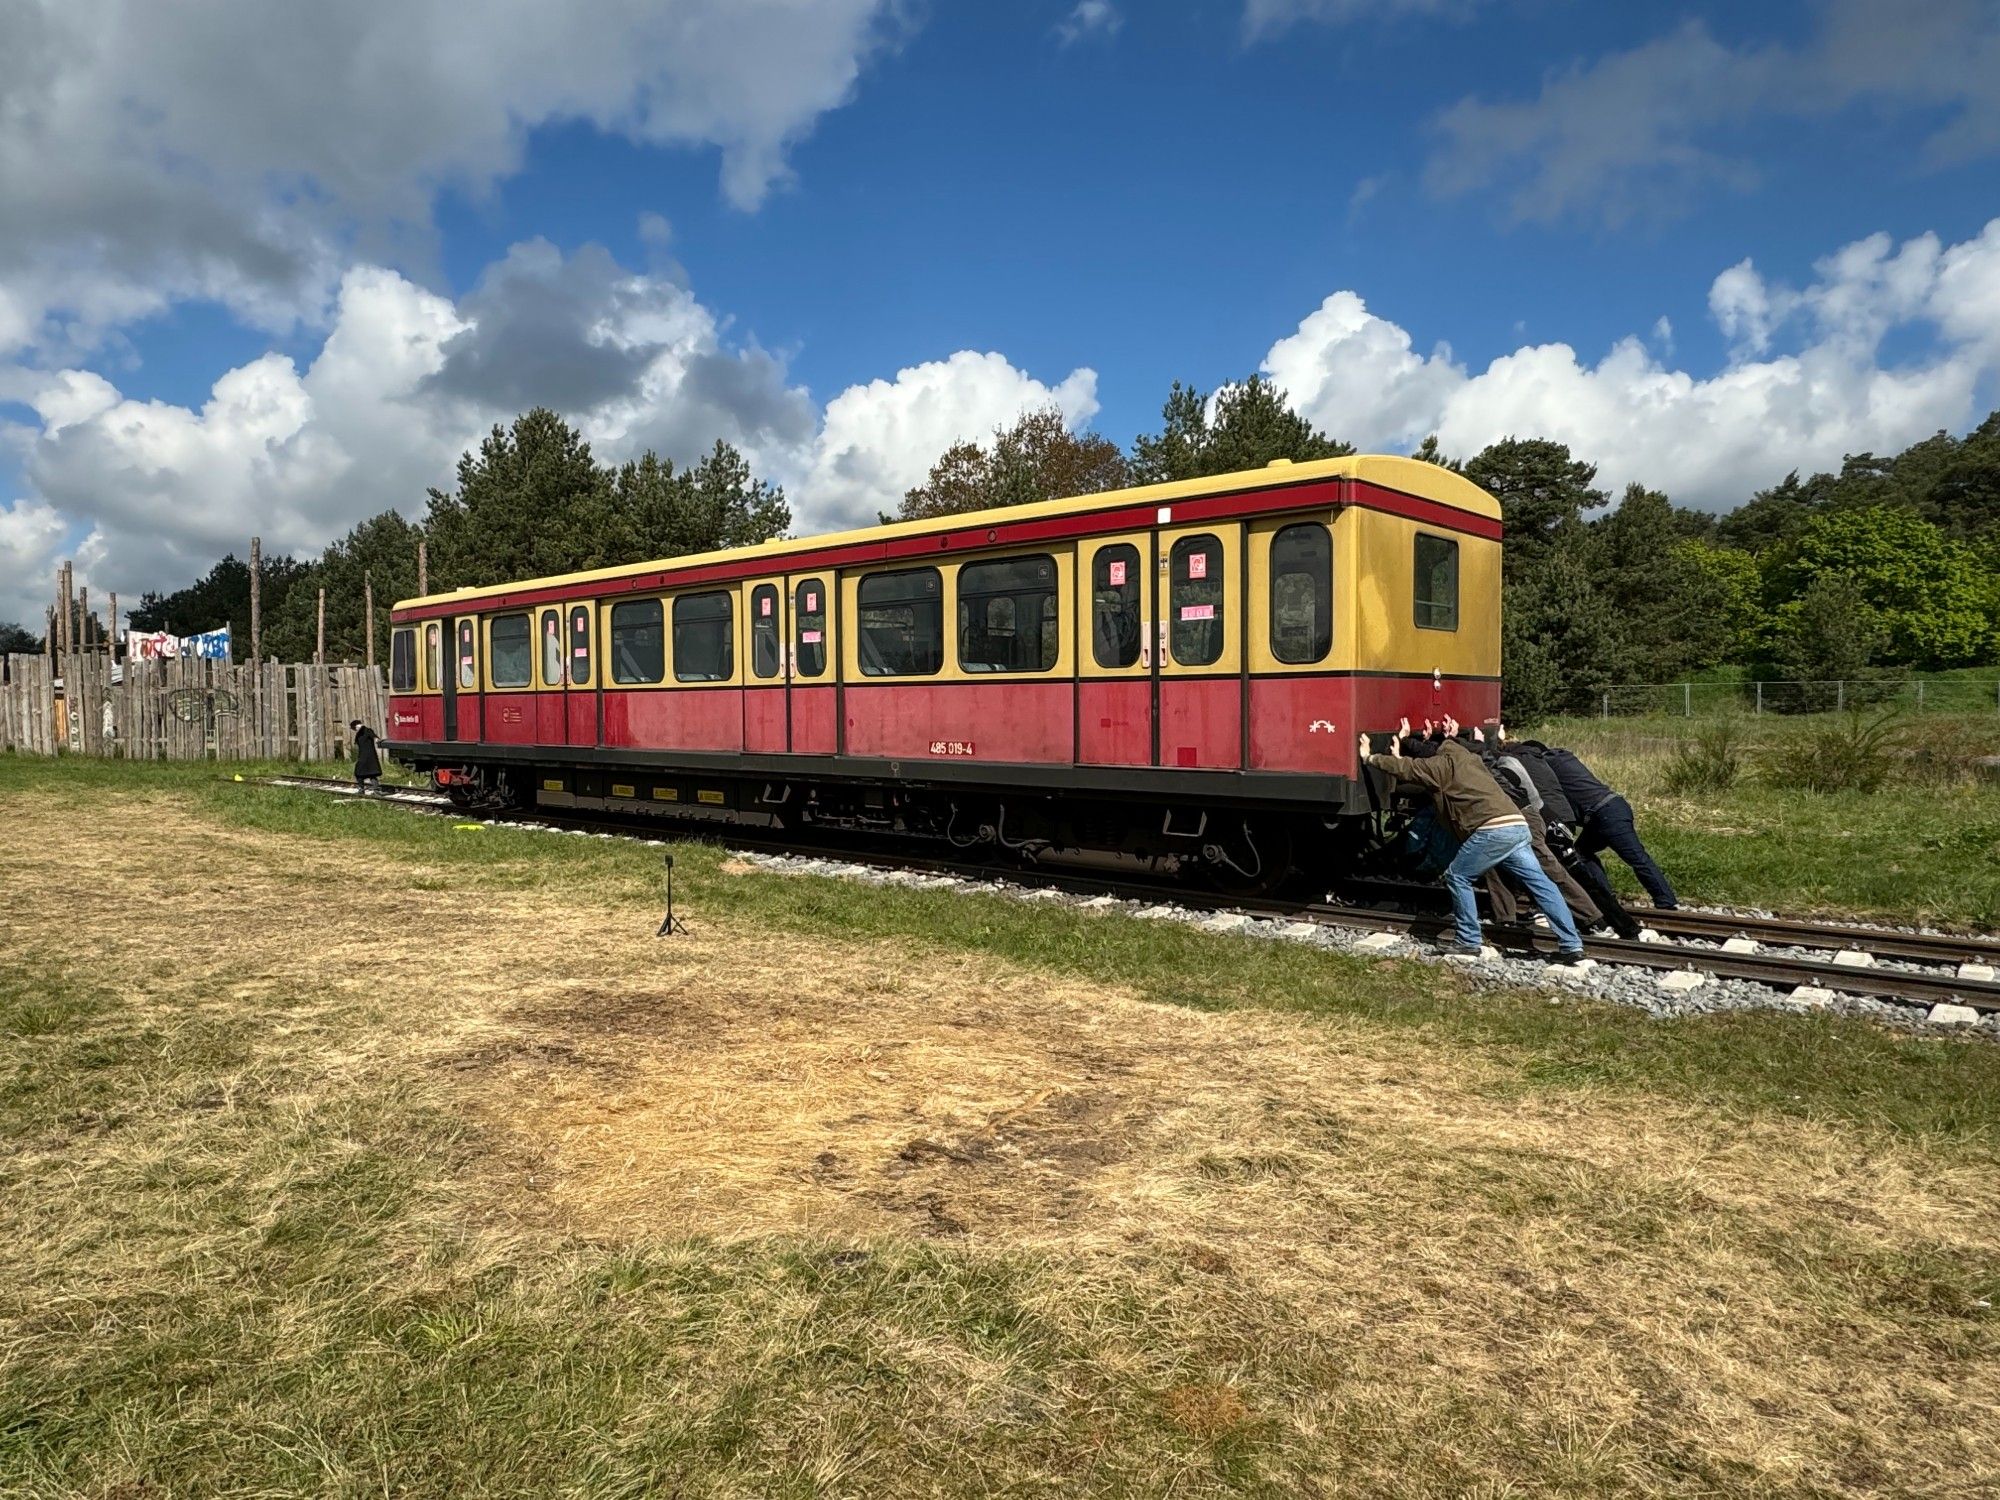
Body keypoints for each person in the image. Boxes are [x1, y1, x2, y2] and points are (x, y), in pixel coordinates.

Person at [1361, 716, 1586, 963]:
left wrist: (1369, 758)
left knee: (1458, 875)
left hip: (1492, 829)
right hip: (1518, 824)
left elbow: (1408, 769)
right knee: (1541, 883)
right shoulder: (1471, 760)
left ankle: (1468, 941)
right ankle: (1571, 944)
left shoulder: (1442, 766)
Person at [1514, 735, 1679, 910]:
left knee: (1637, 858)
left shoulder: (1547, 764)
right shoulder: (1562, 757)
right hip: (1607, 810)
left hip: (1605, 813)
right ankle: (1608, 898)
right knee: (1582, 852)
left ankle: (1666, 902)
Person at [349, 719, 382, 796]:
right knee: (371, 774)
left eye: (354, 728)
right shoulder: (360, 732)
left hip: (367, 756)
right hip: (366, 756)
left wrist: (376, 738)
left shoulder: (366, 730)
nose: (354, 730)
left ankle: (364, 790)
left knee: (360, 773)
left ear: (356, 726)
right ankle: (373, 790)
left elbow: (373, 735)